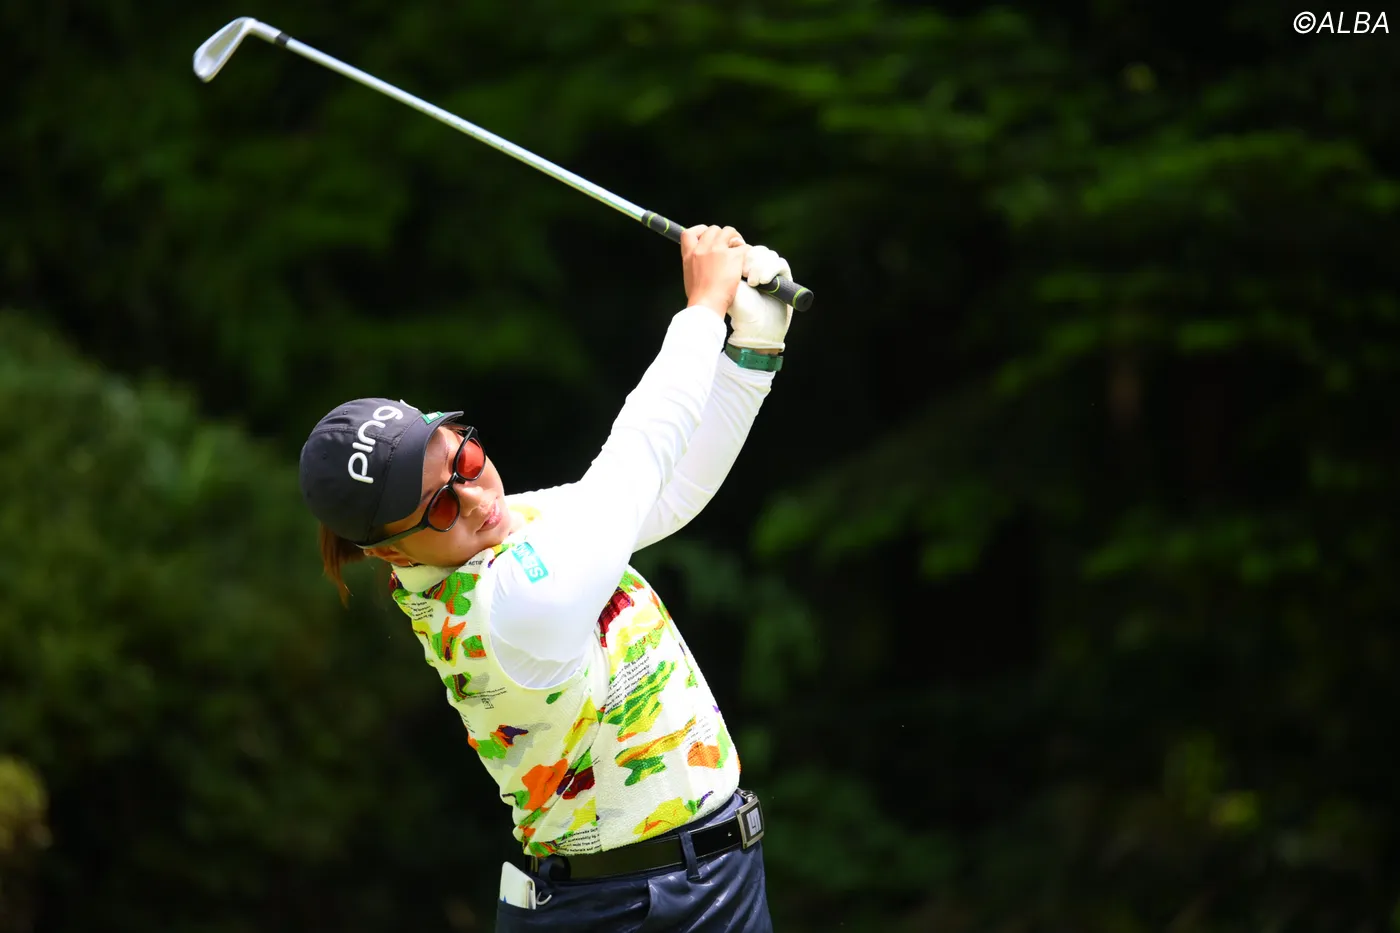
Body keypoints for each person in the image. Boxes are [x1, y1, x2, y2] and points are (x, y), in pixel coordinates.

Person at [297, 224, 795, 932]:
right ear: (390, 554)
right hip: (632, 909)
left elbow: (662, 492)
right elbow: (633, 464)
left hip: (688, 884)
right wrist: (701, 313)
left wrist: (751, 352)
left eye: (465, 461)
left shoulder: (506, 533)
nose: (477, 499)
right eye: (440, 506)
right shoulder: (507, 608)